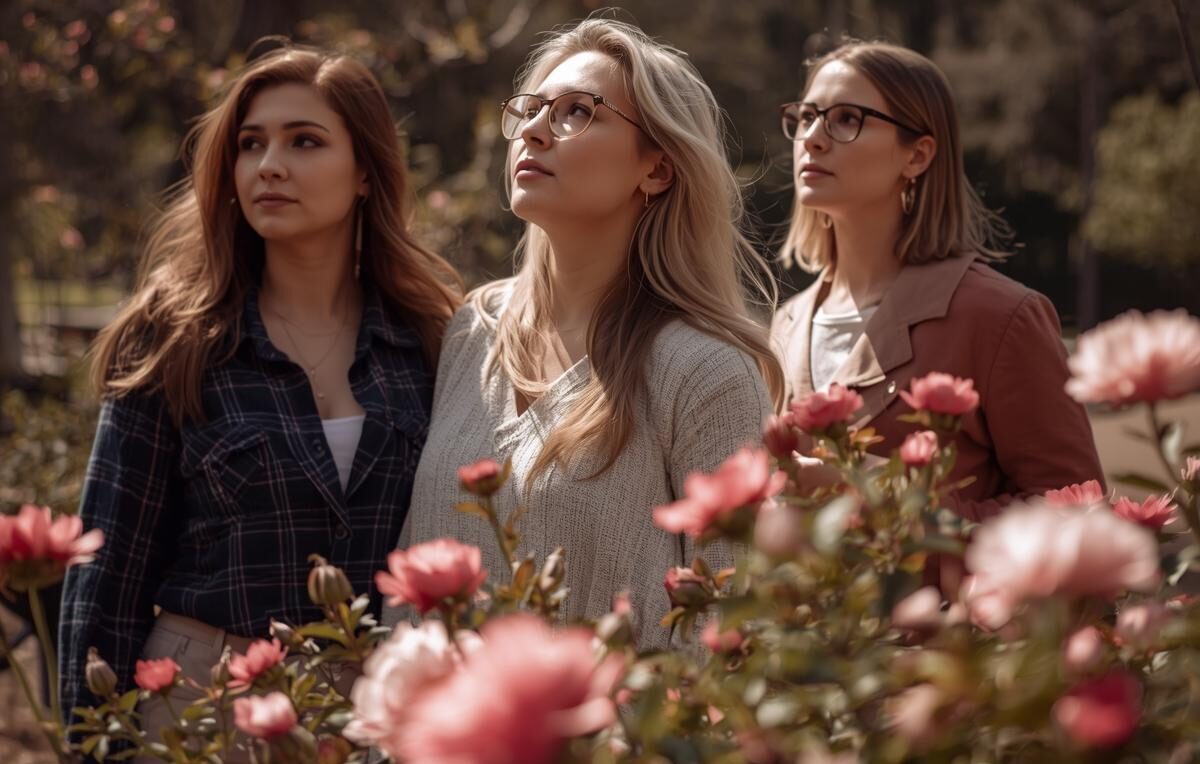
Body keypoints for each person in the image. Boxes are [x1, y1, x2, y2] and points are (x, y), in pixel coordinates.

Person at [58, 42, 462, 752]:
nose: (269, 165)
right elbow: (106, 575)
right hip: (203, 705)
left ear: (365, 172)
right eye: (251, 145)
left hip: (375, 715)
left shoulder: (430, 339)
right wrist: (96, 744)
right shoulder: (175, 337)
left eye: (304, 142)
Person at [387, 17, 783, 648]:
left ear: (656, 169)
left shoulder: (705, 373)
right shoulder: (473, 329)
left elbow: (738, 623)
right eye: (531, 109)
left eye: (577, 112)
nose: (535, 130)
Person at [771, 41, 1104, 533]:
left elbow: (1080, 513)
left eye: (846, 119)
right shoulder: (785, 324)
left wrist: (879, 495)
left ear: (918, 155)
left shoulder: (1000, 316)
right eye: (806, 117)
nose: (813, 138)